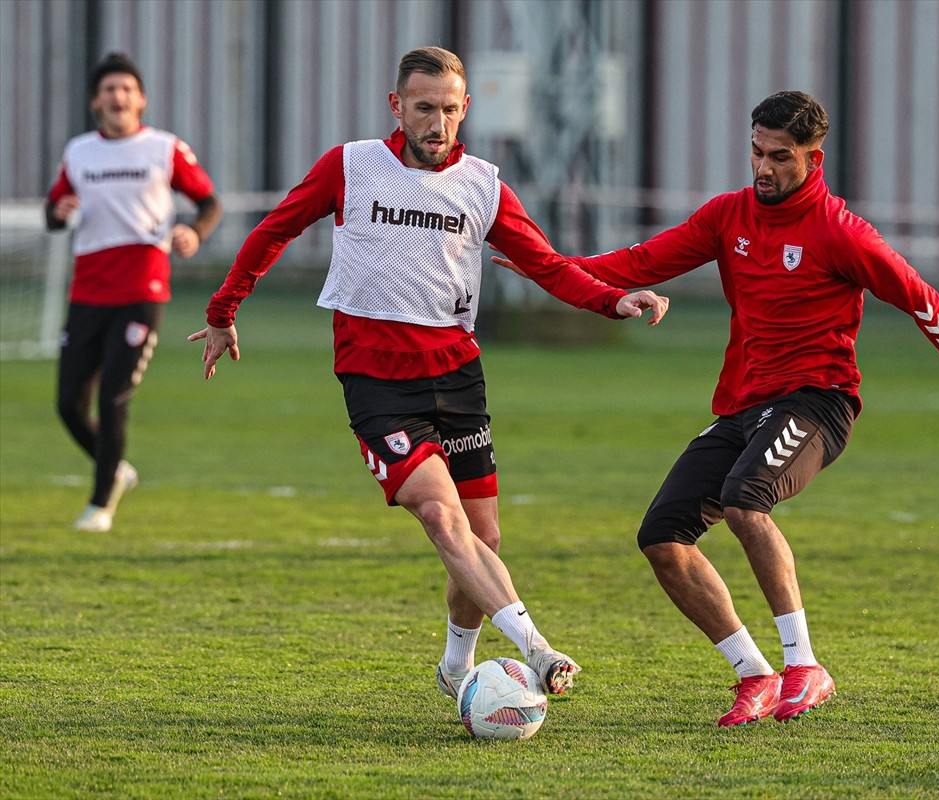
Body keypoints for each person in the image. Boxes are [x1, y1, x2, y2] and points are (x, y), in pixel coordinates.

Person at [494, 90, 939, 726]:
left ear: (813, 159)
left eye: (780, 156)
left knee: (746, 500)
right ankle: (755, 673)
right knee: (661, 537)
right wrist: (552, 269)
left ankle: (805, 664)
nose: (763, 167)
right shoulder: (729, 216)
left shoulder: (841, 233)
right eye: (757, 152)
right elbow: (639, 261)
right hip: (745, 406)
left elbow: (922, 300)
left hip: (819, 401)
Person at [188, 46, 668, 698]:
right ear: (397, 106)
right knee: (443, 518)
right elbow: (274, 230)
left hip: (458, 376)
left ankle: (455, 667)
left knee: (485, 535)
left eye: (448, 109)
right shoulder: (351, 166)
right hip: (377, 382)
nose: (436, 123)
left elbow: (546, 264)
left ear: (465, 108)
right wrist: (223, 311)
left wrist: (613, 300)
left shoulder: (485, 185)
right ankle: (537, 648)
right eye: (422, 108)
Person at [45, 51, 222, 533]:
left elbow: (209, 203)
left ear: (141, 99)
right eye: (109, 89)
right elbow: (53, 212)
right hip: (87, 292)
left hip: (141, 291)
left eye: (126, 88)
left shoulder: (163, 148)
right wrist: (58, 212)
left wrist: (194, 233)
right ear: (95, 101)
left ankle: (100, 505)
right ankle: (117, 469)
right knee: (68, 405)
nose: (118, 96)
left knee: (114, 399)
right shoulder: (79, 152)